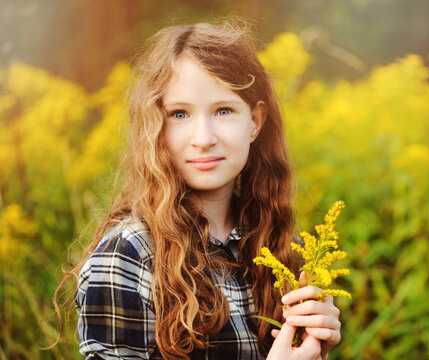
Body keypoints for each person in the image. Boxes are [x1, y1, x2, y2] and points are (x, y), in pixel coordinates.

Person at [54, 22, 341, 360]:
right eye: (179, 114)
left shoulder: (288, 252)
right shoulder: (128, 256)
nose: (203, 138)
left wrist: (316, 346)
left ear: (255, 121)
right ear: (155, 127)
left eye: (223, 110)